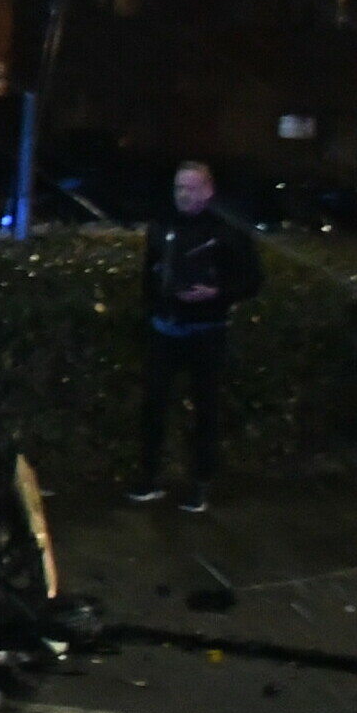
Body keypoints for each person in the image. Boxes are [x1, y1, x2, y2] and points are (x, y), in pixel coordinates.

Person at [123, 159, 259, 512]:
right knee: (153, 403)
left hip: (207, 331)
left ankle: (200, 482)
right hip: (166, 327)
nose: (184, 195)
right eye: (179, 188)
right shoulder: (164, 225)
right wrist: (153, 309)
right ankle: (149, 475)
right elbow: (149, 273)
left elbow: (251, 280)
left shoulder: (227, 229)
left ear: (208, 190)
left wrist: (217, 293)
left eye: (192, 188)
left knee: (205, 409)